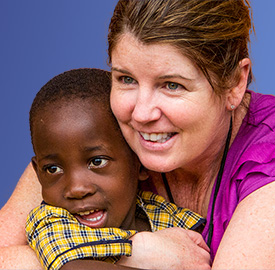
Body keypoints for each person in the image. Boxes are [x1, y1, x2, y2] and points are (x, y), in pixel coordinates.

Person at [0, 1, 275, 269]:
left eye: (172, 85)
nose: (141, 113)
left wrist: (70, 257)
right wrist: (138, 252)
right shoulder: (103, 129)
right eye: (125, 78)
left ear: (235, 82)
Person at [25, 68, 206, 270]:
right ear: (37, 172)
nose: (76, 188)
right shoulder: (51, 222)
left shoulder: (161, 213)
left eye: (97, 162)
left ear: (139, 161)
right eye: (52, 169)